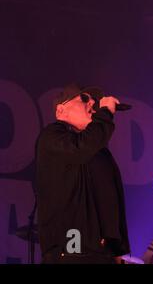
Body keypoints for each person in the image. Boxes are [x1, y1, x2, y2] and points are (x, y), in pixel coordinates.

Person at [35, 83, 130, 264]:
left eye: (94, 101)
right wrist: (105, 113)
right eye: (85, 99)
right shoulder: (52, 136)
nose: (92, 103)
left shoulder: (99, 150)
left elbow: (109, 199)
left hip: (102, 253)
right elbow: (80, 147)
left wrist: (116, 250)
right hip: (71, 250)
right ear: (61, 110)